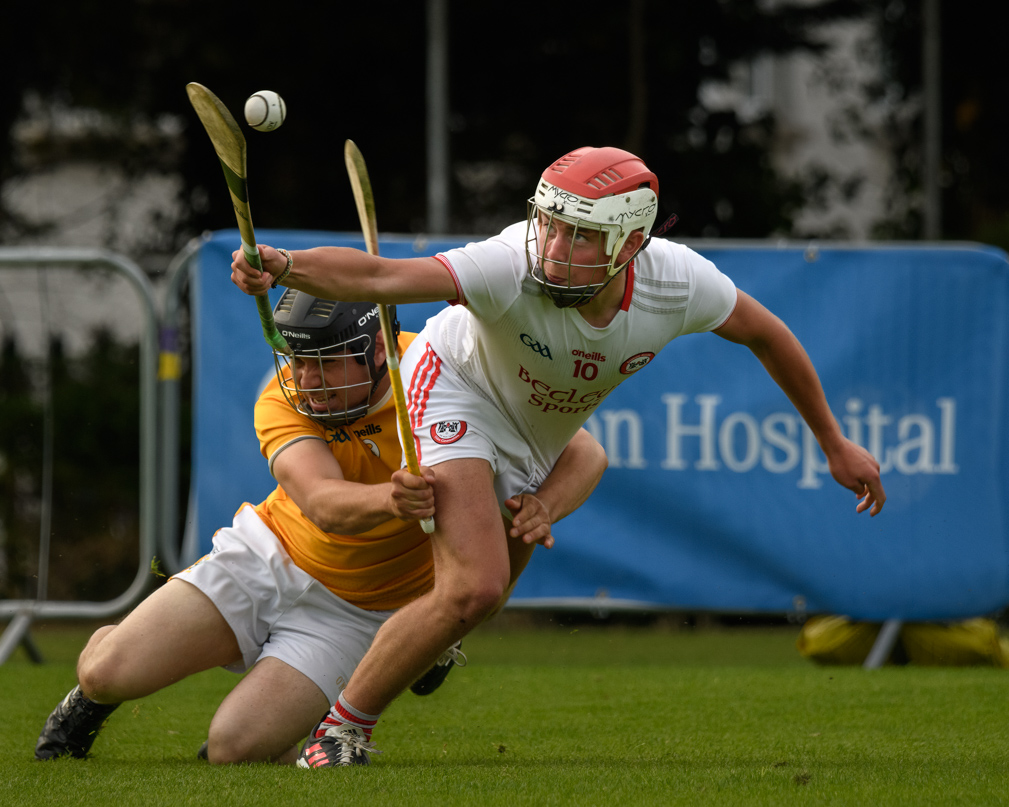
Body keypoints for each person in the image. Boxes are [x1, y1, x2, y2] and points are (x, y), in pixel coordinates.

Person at [231, 145, 886, 768]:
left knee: (477, 590)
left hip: (531, 431)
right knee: (476, 584)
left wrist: (832, 440)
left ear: (631, 243)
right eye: (548, 224)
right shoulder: (508, 265)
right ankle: (342, 729)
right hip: (453, 387)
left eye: (579, 235)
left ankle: (434, 629)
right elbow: (381, 276)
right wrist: (284, 264)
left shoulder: (677, 282)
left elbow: (767, 335)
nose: (553, 247)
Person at [33, 289, 607, 765]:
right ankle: (86, 700)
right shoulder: (281, 399)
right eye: (297, 359)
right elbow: (325, 504)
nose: (308, 379)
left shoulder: (447, 375)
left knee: (234, 748)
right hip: (266, 557)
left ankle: (325, 710)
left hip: (356, 613)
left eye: (326, 361)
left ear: (377, 349)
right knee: (106, 671)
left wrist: (545, 505)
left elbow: (586, 453)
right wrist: (393, 498)